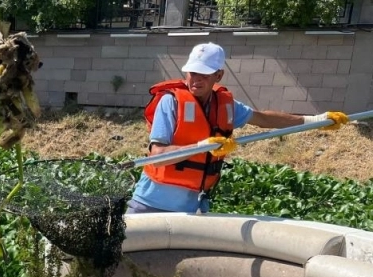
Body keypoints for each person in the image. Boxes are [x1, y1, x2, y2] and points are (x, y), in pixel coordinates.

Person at [127, 42, 349, 215]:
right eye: (192, 72)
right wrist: (200, 146)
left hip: (190, 208)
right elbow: (156, 156)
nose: (196, 79)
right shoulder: (171, 102)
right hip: (150, 204)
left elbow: (263, 119)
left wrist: (315, 120)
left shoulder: (225, 105)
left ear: (219, 75)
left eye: (204, 74)